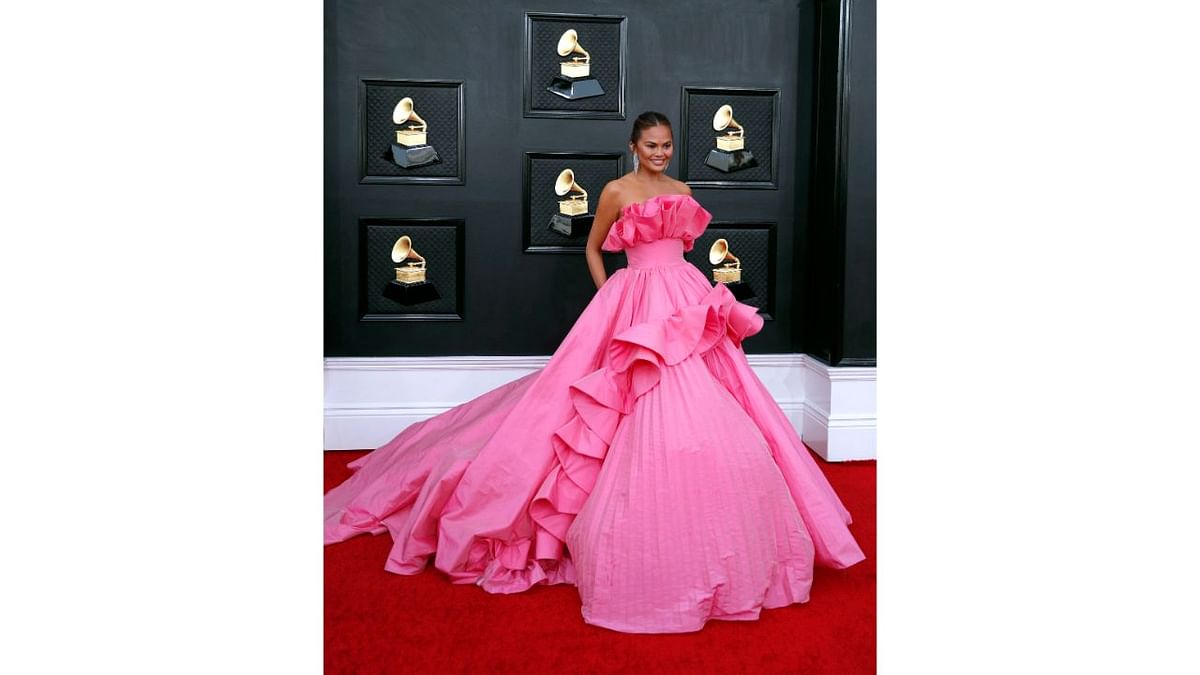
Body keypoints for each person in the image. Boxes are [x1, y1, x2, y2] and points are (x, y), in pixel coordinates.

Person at [325, 111, 865, 634]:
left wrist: (682, 290)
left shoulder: (683, 188)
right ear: (634, 146)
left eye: (667, 144)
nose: (660, 153)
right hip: (633, 300)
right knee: (605, 397)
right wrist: (611, 292)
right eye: (651, 145)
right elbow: (592, 245)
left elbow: (681, 249)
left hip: (683, 296)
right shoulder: (614, 192)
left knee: (711, 396)